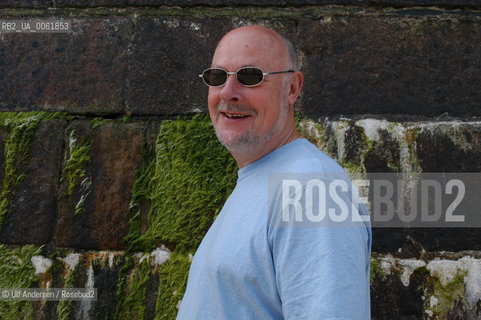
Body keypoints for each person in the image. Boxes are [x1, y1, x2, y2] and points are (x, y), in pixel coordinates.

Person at [177, 25, 371, 319]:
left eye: (250, 77)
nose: (229, 92)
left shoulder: (310, 188)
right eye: (217, 77)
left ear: (292, 88)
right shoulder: (262, 179)